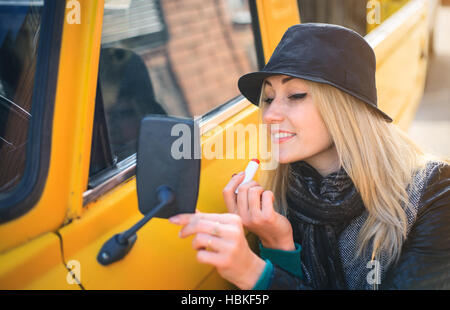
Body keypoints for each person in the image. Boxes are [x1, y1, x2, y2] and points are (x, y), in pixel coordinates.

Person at [168, 23, 450, 290]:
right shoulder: (275, 201)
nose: (270, 115)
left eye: (296, 95)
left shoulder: (433, 193)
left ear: (345, 107)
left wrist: (255, 274)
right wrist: (278, 246)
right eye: (268, 98)